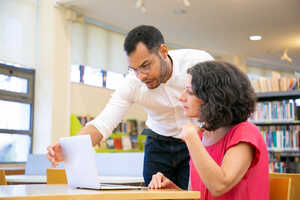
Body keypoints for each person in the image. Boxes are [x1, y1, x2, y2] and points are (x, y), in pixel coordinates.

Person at [47, 25, 214, 189]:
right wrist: (69, 147)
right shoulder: (132, 84)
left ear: (163, 52)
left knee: (192, 193)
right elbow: (103, 123)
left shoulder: (198, 63)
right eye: (134, 69)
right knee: (156, 194)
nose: (141, 76)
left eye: (146, 65)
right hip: (158, 143)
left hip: (195, 139)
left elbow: (219, 103)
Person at [149, 61, 269, 200]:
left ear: (213, 98)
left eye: (190, 92)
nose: (181, 97)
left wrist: (190, 137)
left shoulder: (245, 133)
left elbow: (219, 186)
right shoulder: (202, 137)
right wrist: (174, 191)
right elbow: (202, 195)